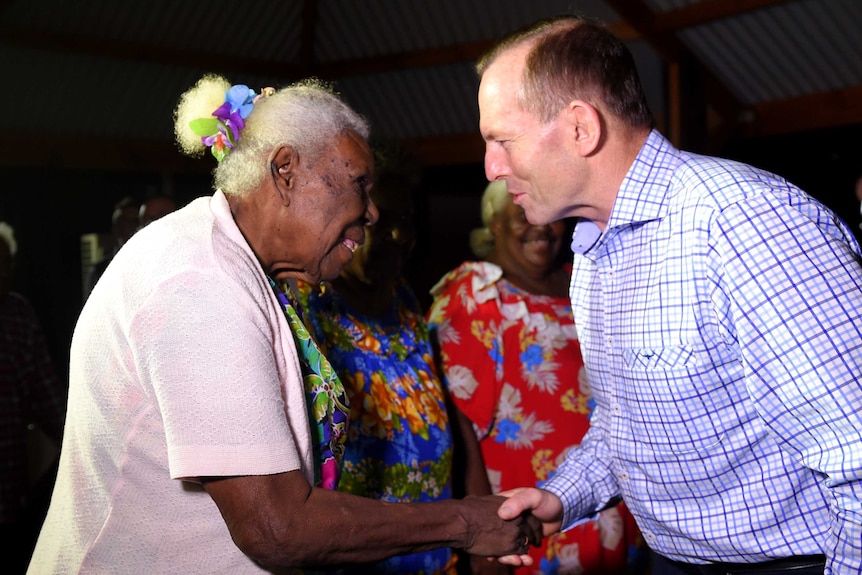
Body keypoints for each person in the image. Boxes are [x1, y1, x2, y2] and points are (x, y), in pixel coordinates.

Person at [28, 74, 540, 574]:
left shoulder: (239, 269)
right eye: (359, 183)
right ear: (285, 171)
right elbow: (276, 527)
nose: (373, 212)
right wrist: (465, 522)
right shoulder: (197, 281)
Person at [474, 15, 862, 575]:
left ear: (582, 128)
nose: (491, 168)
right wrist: (562, 496)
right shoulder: (594, 250)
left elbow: (855, 451)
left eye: (501, 140)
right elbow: (626, 423)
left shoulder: (742, 221)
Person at [427, 181, 645, 575]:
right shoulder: (475, 292)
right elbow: (457, 425)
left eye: (549, 217)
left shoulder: (584, 278)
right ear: (492, 222)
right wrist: (483, 540)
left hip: (609, 496)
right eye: (521, 216)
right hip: (529, 514)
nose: (539, 228)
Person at [295, 145, 468, 574]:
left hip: (433, 554)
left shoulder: (405, 300)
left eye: (405, 220)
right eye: (379, 221)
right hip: (359, 558)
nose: (396, 236)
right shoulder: (310, 310)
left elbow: (450, 417)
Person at [0, 222, 66, 574]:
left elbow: (48, 400)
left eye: (7, 263)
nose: (2, 272)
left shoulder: (18, 315)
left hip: (10, 493)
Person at [84, 195, 140, 295]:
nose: (128, 227)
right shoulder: (99, 271)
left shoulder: (154, 262)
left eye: (134, 221)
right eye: (121, 223)